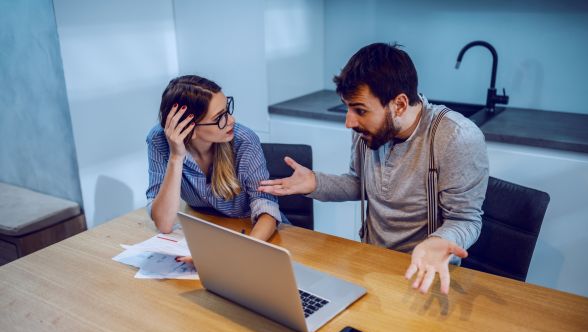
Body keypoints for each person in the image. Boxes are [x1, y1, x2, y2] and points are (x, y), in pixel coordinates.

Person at [259, 43, 488, 295]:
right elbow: (360, 183)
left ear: (399, 105)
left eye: (359, 110)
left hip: (425, 275)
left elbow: (465, 219)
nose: (349, 122)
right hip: (370, 263)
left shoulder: (456, 137)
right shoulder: (367, 131)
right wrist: (315, 183)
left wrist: (438, 241)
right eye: (348, 108)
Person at [146, 75, 282, 256]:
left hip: (252, 232)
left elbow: (266, 207)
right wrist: (176, 157)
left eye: (227, 109)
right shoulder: (160, 140)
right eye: (220, 117)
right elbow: (164, 223)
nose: (231, 120)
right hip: (205, 229)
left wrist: (240, 252)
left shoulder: (244, 141)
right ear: (188, 128)